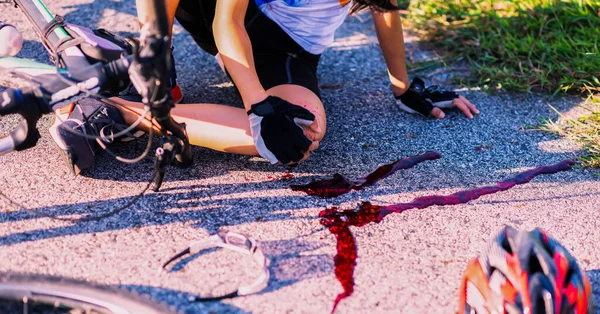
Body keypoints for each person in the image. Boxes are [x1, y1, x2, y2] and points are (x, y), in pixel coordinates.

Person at [50, 0, 480, 175]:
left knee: (302, 137)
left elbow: (385, 8)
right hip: (225, 18)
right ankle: (149, 50)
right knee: (269, 122)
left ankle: (109, 108)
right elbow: (227, 23)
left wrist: (403, 87)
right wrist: (259, 106)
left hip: (286, 51)